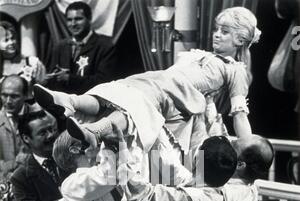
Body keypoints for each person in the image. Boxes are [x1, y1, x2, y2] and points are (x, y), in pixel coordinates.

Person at [34, 5, 261, 153]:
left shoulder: (236, 70)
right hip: (160, 81)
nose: (216, 35)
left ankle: (95, 130)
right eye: (217, 30)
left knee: (134, 106)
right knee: (118, 89)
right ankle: (70, 101)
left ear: (240, 40)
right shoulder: (200, 55)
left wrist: (250, 151)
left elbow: (240, 115)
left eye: (224, 32)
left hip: (175, 96)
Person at [46, 1, 118, 94]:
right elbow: (53, 82)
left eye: (78, 19)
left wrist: (70, 78)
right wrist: (48, 79)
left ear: (89, 19)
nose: (73, 24)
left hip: (93, 102)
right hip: (65, 105)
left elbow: (104, 81)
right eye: (69, 20)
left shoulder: (105, 46)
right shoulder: (60, 47)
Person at [0, 20, 46, 98]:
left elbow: (44, 90)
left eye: (13, 38)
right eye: (6, 40)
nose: (11, 42)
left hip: (31, 108)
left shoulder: (32, 63)